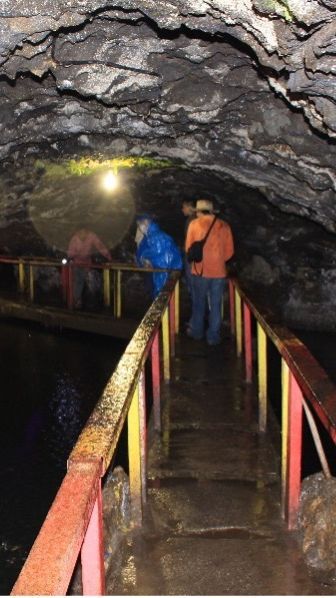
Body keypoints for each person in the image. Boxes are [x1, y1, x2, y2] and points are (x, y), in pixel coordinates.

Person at [185, 199, 234, 346]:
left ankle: (197, 332)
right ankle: (213, 337)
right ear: (212, 211)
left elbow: (188, 248)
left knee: (199, 303)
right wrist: (218, 261)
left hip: (200, 272)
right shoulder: (224, 225)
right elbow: (230, 252)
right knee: (216, 304)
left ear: (198, 211)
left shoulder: (194, 224)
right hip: (218, 273)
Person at [135, 215, 182, 297]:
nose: (139, 228)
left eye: (140, 225)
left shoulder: (155, 237)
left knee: (163, 298)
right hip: (167, 272)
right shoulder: (155, 235)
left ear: (146, 222)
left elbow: (159, 255)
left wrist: (144, 257)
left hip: (164, 273)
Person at [67, 227, 112, 308]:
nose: (82, 235)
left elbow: (100, 246)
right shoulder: (74, 239)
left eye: (84, 232)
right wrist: (71, 256)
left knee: (89, 281)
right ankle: (77, 301)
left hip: (88, 263)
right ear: (77, 232)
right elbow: (70, 253)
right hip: (76, 264)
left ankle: (91, 301)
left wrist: (108, 257)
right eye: (80, 232)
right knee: (78, 281)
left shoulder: (92, 236)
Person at [181, 200, 196, 298]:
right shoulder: (195, 219)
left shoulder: (191, 221)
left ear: (189, 207)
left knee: (191, 280)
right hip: (194, 255)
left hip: (190, 255)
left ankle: (195, 303)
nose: (182, 210)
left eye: (184, 207)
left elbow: (190, 240)